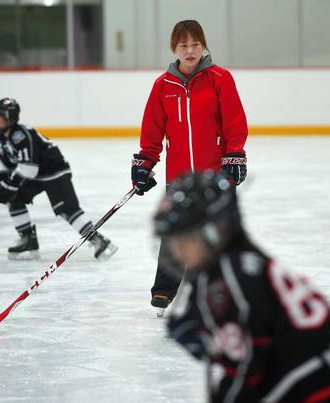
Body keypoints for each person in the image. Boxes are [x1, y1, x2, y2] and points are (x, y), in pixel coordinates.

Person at [153, 170, 330, 403]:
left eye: (185, 239)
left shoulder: (234, 278)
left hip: (320, 383)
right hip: (325, 367)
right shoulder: (231, 261)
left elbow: (247, 372)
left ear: (217, 229)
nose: (176, 251)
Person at [130, 20, 248, 316]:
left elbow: (234, 122)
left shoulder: (220, 79)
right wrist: (145, 162)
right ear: (174, 48)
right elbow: (153, 131)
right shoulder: (163, 86)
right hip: (179, 178)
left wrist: (235, 156)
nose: (190, 50)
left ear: (203, 45)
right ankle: (164, 288)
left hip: (215, 176)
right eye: (183, 45)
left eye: (196, 44)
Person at [0, 97, 116, 260]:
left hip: (55, 172)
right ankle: (28, 239)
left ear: (9, 116)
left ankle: (98, 240)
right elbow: (7, 167)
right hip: (37, 174)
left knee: (67, 209)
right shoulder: (0, 140)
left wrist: (9, 186)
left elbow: (29, 168)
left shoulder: (21, 134)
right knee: (14, 197)